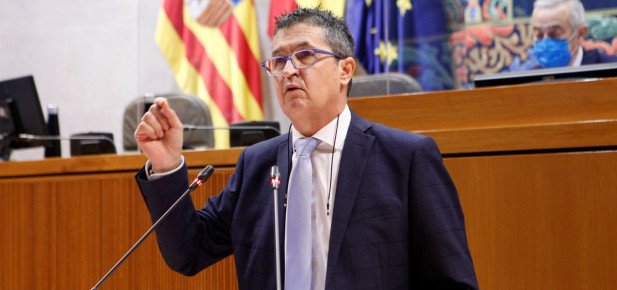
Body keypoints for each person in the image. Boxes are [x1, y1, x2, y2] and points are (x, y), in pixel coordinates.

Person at [134, 8, 478, 290]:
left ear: (345, 70)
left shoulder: (406, 158)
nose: (289, 71)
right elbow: (188, 252)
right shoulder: (257, 164)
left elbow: (452, 281)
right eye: (279, 61)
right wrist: (166, 166)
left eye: (305, 55)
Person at [510, 0, 617, 70]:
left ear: (580, 33)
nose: (545, 42)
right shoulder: (528, 81)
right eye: (539, 35)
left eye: (555, 34)